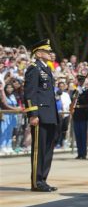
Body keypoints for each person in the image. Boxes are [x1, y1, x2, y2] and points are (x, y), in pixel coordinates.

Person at [24, 39, 59, 192]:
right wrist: (33, 114)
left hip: (50, 114)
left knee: (48, 150)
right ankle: (36, 182)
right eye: (47, 51)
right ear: (38, 53)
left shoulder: (47, 69)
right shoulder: (34, 68)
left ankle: (43, 179)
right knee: (39, 150)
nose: (50, 53)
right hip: (40, 115)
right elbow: (30, 93)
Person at [71, 74, 88, 159]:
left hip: (83, 113)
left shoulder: (87, 91)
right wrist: (77, 92)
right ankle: (79, 153)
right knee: (78, 135)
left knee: (83, 135)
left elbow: (86, 100)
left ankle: (83, 153)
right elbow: (72, 100)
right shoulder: (75, 91)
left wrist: (81, 92)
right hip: (76, 113)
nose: (80, 83)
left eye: (81, 81)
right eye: (79, 81)